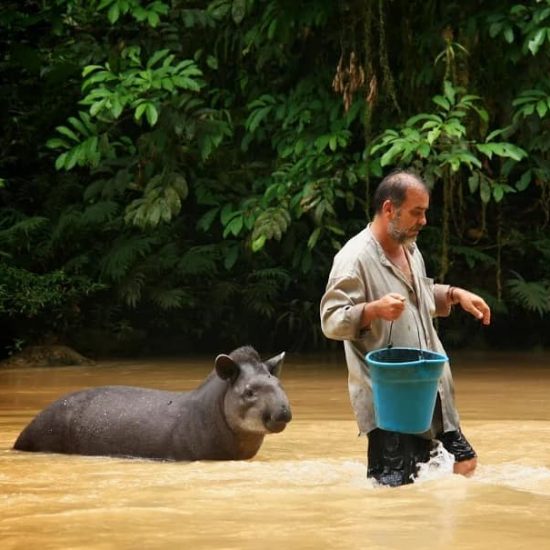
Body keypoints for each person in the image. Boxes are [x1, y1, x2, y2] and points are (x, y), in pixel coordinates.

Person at [320, 170, 491, 487]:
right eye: (417, 212)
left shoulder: (411, 250)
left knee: (463, 463)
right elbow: (331, 320)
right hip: (390, 401)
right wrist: (373, 310)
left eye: (424, 212)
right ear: (389, 209)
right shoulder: (354, 258)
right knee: (395, 490)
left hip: (431, 390)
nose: (424, 221)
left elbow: (420, 301)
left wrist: (454, 294)